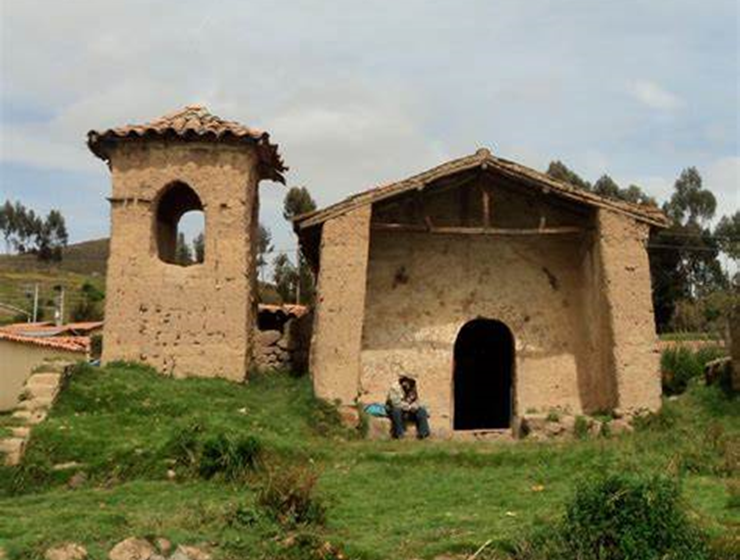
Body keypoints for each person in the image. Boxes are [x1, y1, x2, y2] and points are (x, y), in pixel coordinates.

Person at [386, 374, 431, 439]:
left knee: (421, 411)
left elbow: (416, 400)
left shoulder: (412, 387)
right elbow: (395, 403)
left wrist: (415, 406)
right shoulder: (395, 388)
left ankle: (424, 434)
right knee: (397, 411)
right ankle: (399, 434)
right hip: (395, 409)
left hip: (408, 409)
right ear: (404, 381)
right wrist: (408, 406)